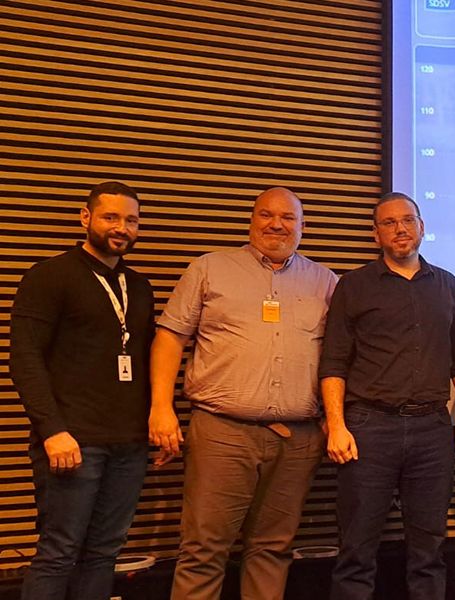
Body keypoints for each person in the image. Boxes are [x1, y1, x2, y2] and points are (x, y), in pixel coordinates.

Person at [149, 187, 337, 600]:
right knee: (203, 549)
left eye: (288, 217)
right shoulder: (209, 269)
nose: (276, 225)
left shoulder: (325, 282)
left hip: (298, 439)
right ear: (251, 220)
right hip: (222, 433)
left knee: (273, 549)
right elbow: (170, 338)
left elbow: (338, 358)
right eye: (266, 215)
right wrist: (161, 408)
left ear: (302, 226)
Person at [319, 192, 455, 600]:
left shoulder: (446, 284)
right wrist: (336, 425)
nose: (400, 229)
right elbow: (333, 361)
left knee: (429, 551)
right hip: (369, 429)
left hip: (432, 430)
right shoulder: (353, 285)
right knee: (356, 550)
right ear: (376, 234)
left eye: (408, 220)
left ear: (422, 227)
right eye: (389, 223)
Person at [10, 181, 155, 600]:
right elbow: (24, 359)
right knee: (58, 552)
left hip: (129, 445)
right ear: (85, 217)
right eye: (111, 217)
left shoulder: (139, 286)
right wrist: (52, 430)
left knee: (104, 553)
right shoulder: (49, 275)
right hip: (72, 442)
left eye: (131, 220)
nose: (122, 228)